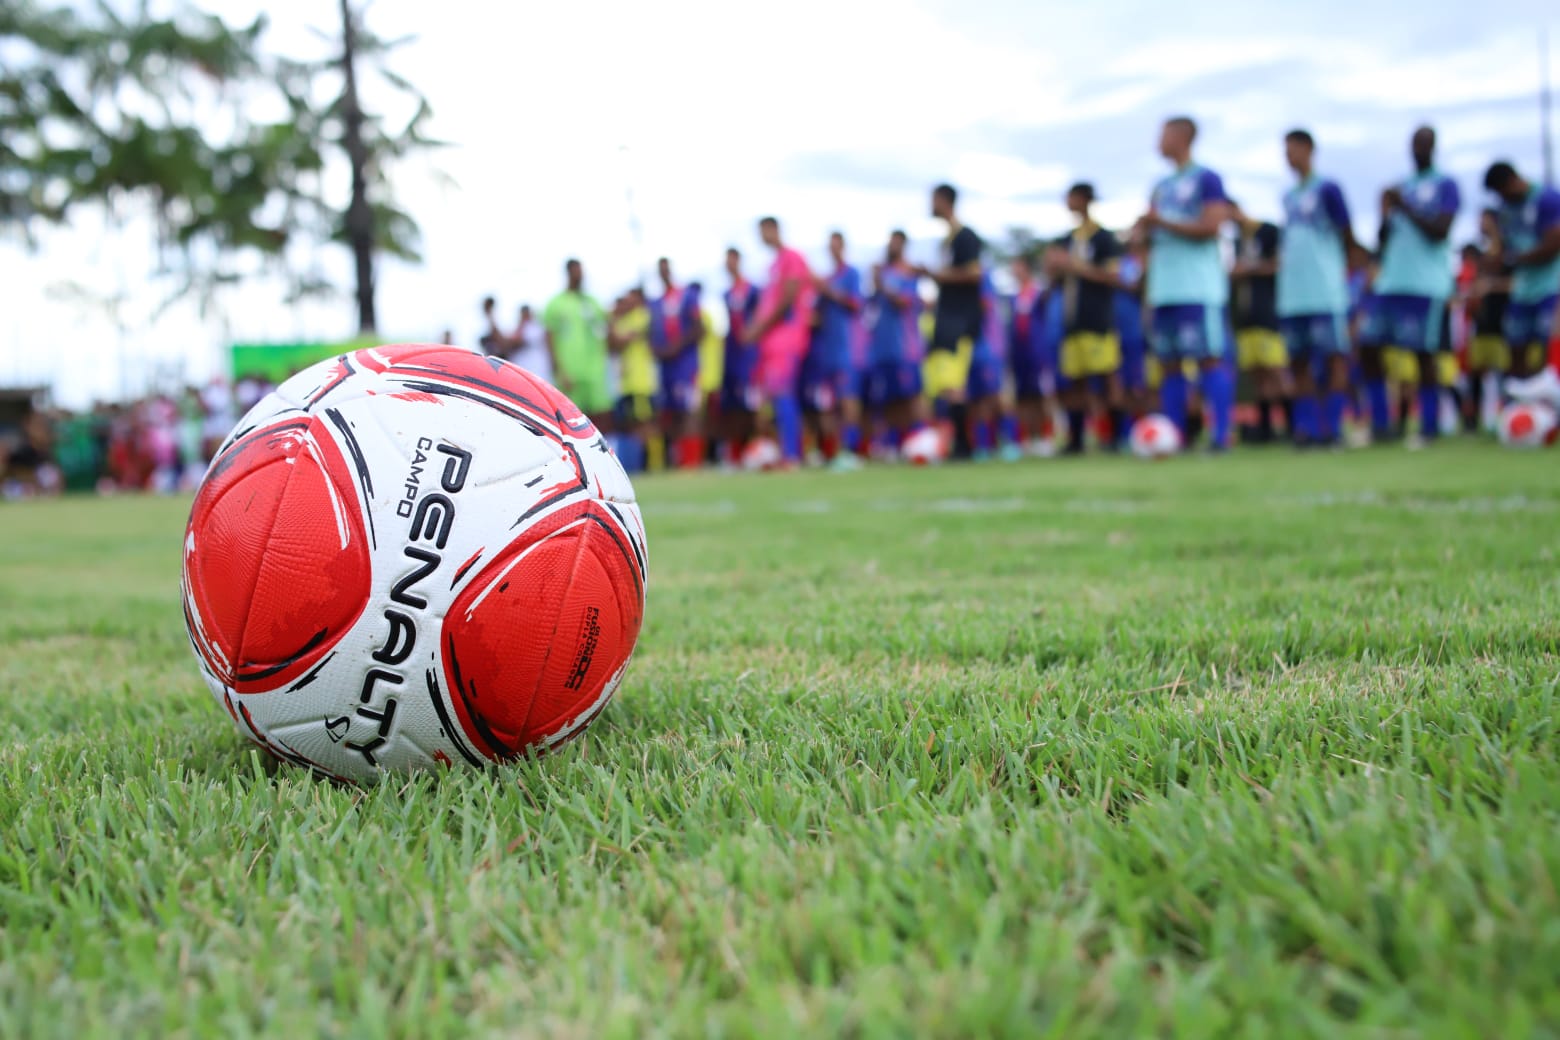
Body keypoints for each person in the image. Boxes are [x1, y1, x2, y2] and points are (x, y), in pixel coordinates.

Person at [1139, 116, 1236, 450]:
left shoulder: (1207, 179)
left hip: (1198, 287)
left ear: (1183, 136)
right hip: (1164, 289)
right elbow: (1151, 235)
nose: (1158, 140)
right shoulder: (1161, 185)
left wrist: (1161, 221)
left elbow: (1212, 226)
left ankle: (1221, 435)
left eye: (1163, 133)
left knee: (1208, 358)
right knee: (1169, 365)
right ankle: (1174, 437)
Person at [1372, 126, 1461, 444]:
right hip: (1390, 282)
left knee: (1425, 354)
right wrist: (1383, 212)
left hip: (1426, 284)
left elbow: (1440, 231)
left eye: (1424, 142)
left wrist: (1405, 205)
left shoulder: (1445, 184)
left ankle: (1429, 426)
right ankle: (1381, 424)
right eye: (1415, 142)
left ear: (1434, 146)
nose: (1418, 148)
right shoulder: (1401, 187)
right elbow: (1382, 240)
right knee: (1369, 348)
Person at [1276, 128, 1357, 448]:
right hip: (1293, 294)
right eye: (1285, 150)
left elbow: (1346, 233)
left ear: (1309, 149)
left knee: (1335, 357)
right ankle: (1306, 428)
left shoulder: (1328, 189)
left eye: (1293, 149)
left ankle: (1333, 428)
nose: (1288, 156)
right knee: (1298, 361)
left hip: (1325, 290)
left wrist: (1347, 277)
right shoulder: (1288, 196)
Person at [1046, 182, 1126, 454]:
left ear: (1084, 199)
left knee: (1106, 376)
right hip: (1071, 320)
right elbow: (1054, 279)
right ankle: (1076, 439)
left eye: (1071, 197)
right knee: (1075, 380)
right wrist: (1054, 268)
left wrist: (1075, 266)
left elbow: (1113, 276)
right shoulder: (1066, 240)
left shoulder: (1104, 238)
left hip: (1098, 319)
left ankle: (1115, 437)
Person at [913, 183, 985, 459]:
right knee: (944, 382)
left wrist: (936, 275)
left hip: (959, 319)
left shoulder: (965, 237)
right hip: (947, 318)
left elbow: (974, 274)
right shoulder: (947, 240)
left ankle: (964, 446)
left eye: (933, 199)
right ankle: (959, 443)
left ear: (945, 200)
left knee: (954, 382)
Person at [743, 217, 816, 466]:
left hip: (787, 339)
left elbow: (788, 297)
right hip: (773, 343)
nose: (762, 237)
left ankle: (792, 456)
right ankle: (787, 452)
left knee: (784, 395)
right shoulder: (774, 265)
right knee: (776, 398)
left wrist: (759, 328)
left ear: (773, 229)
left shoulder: (792, 257)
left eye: (764, 230)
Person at [1484, 162, 1560, 392]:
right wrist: (1494, 240)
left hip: (1552, 287)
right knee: (1516, 350)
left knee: (1550, 350)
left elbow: (1552, 245)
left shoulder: (1547, 198)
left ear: (1511, 181)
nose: (1501, 198)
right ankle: (1522, 402)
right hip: (1522, 290)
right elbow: (1499, 253)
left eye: (1501, 192)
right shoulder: (1506, 210)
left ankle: (1549, 402)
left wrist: (1512, 259)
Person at [862, 230, 931, 457]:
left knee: (912, 396)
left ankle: (922, 439)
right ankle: (895, 444)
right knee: (890, 400)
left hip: (906, 348)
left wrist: (881, 284)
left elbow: (903, 302)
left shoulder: (908, 274)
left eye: (897, 243)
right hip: (883, 349)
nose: (893, 246)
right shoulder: (882, 273)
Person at [803, 231, 866, 469]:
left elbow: (856, 304)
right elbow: (817, 317)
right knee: (829, 405)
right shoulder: (826, 280)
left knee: (848, 400)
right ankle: (832, 452)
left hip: (847, 349)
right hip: (826, 352)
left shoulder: (852, 274)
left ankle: (852, 451)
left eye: (837, 246)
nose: (833, 250)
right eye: (830, 246)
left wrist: (827, 290)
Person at [1230, 208, 1285, 442]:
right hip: (1246, 317)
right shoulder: (1237, 240)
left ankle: (1293, 423)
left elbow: (1280, 263)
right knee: (1256, 374)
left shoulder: (1268, 231)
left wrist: (1250, 269)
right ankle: (1264, 428)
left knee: (1275, 371)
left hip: (1268, 313)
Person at [542, 259, 612, 426]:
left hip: (594, 372)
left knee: (600, 419)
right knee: (571, 420)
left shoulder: (591, 301)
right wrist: (558, 370)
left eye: (581, 272)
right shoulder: (556, 303)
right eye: (576, 272)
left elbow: (609, 323)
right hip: (570, 373)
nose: (580, 276)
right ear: (569, 273)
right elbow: (549, 337)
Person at [718, 248, 761, 466]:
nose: (729, 264)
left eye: (732, 260)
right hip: (732, 357)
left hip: (749, 357)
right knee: (733, 407)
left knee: (752, 406)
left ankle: (757, 449)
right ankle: (736, 454)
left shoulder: (753, 290)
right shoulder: (726, 293)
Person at [608, 288, 657, 472]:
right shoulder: (625, 320)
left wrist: (612, 322)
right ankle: (641, 463)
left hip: (642, 380)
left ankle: (655, 464)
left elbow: (621, 340)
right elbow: (612, 344)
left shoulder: (642, 316)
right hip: (627, 383)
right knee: (632, 424)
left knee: (646, 422)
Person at [1006, 254, 1051, 454]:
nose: (1014, 270)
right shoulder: (1014, 297)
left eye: (1017, 266)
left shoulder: (1039, 293)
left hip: (1037, 352)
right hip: (1019, 353)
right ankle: (1026, 439)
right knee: (1022, 398)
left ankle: (1045, 438)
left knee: (1040, 396)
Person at [507, 303, 556, 385]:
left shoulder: (537, 328)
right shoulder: (519, 328)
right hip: (524, 370)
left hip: (540, 369)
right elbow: (513, 343)